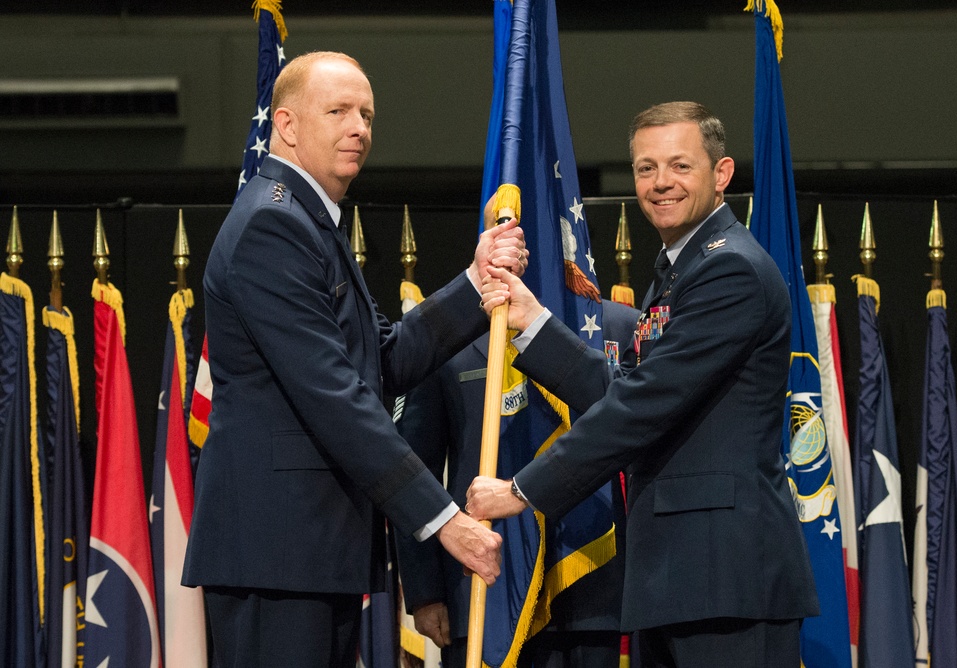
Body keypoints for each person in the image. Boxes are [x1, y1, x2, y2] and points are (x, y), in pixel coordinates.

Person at [182, 51, 525, 667]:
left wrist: (475, 285)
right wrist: (444, 520)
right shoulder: (273, 226)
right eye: (338, 111)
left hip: (310, 552)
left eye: (366, 113)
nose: (359, 128)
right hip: (278, 555)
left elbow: (381, 362)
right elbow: (335, 397)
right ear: (286, 125)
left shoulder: (312, 223)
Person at [466, 102, 820, 668]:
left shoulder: (729, 270)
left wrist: (522, 491)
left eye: (680, 166)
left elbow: (642, 405)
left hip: (724, 580)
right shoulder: (682, 268)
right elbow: (624, 387)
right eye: (646, 168)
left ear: (721, 173)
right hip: (679, 578)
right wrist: (532, 322)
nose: (660, 184)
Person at [395, 299, 640, 668]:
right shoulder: (445, 331)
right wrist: (425, 592)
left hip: (594, 587)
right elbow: (414, 467)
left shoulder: (620, 325)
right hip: (485, 589)